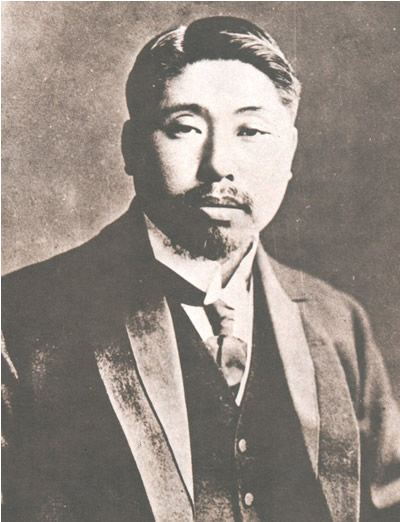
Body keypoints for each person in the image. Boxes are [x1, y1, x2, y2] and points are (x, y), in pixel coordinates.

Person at [2, 16, 400, 522]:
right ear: (132, 147)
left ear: (289, 153)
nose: (219, 166)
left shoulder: (338, 322)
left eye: (250, 131)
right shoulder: (19, 320)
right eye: (185, 128)